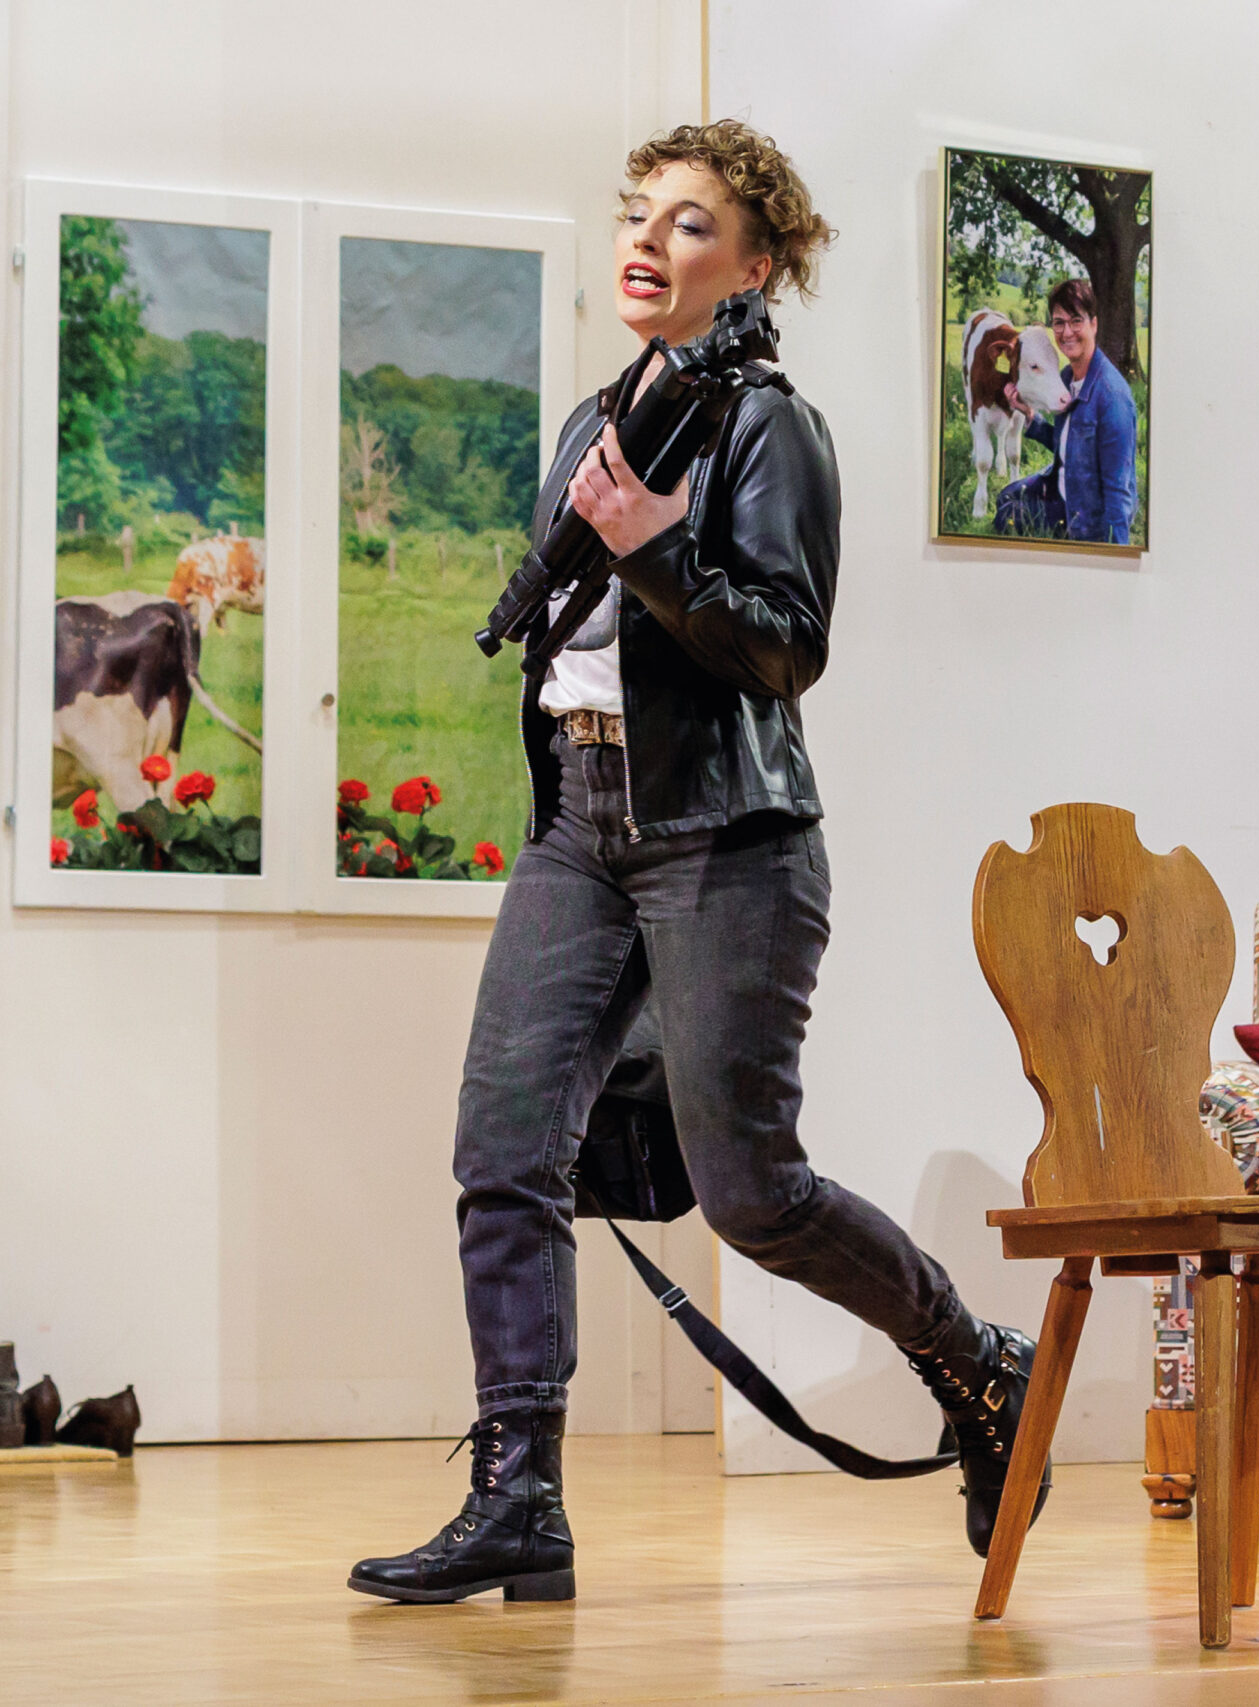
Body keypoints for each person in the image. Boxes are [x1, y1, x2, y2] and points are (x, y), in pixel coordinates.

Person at [350, 120, 1046, 1606]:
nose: (648, 241)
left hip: (727, 837)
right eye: (638, 215)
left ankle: (978, 1361)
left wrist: (661, 546)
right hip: (580, 827)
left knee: (752, 1191)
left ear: (756, 266)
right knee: (502, 1151)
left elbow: (787, 648)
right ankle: (518, 1494)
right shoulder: (591, 421)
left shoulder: (771, 427)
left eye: (689, 222)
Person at [993, 277, 1138, 545]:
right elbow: (1069, 445)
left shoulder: (1112, 397)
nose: (1067, 332)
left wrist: (1115, 556)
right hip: (1063, 485)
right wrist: (1029, 415)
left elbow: (1119, 492)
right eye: (1059, 322)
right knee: (1005, 496)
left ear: (1094, 324)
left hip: (1082, 516)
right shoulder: (1067, 377)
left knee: (1007, 515)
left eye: (1076, 321)